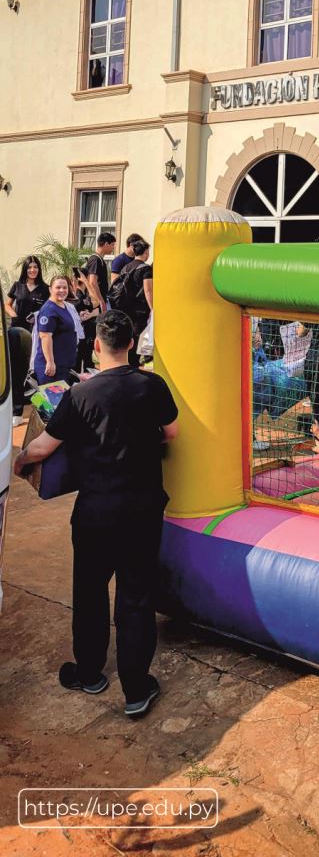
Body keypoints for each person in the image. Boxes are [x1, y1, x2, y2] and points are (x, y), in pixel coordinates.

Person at [13, 310, 179, 717]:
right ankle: (137, 690)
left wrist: (20, 460)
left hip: (95, 511)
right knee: (136, 597)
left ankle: (89, 673)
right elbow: (172, 433)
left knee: (89, 591)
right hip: (142, 509)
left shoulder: (79, 396)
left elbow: (43, 448)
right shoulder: (152, 386)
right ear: (131, 343)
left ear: (98, 346)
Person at [111, 239, 153, 367]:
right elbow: (148, 290)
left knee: (128, 337)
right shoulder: (145, 269)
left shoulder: (126, 267)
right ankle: (134, 366)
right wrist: (153, 308)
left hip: (124, 309)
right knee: (138, 338)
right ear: (146, 252)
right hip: (139, 310)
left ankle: (126, 363)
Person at [33, 275, 78, 385]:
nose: (62, 290)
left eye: (65, 287)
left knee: (62, 401)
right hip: (51, 368)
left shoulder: (63, 306)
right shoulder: (49, 310)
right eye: (58, 287)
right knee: (51, 402)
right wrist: (50, 362)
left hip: (63, 365)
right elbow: (45, 337)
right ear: (50, 289)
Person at [3, 256, 50, 331]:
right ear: (25, 269)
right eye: (29, 267)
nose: (32, 270)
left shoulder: (46, 289)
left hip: (37, 330)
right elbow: (7, 305)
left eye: (35, 267)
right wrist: (14, 315)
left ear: (39, 269)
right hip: (17, 329)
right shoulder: (17, 285)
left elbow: (49, 309)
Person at [71, 268, 99, 373]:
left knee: (87, 363)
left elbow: (97, 309)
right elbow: (96, 302)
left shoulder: (84, 295)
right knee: (78, 365)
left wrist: (92, 314)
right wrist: (86, 282)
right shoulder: (77, 296)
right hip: (81, 336)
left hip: (87, 334)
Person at [84, 232, 116, 314]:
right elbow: (92, 282)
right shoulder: (95, 259)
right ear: (106, 244)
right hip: (95, 302)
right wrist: (101, 301)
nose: (113, 248)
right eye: (112, 245)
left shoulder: (100, 260)